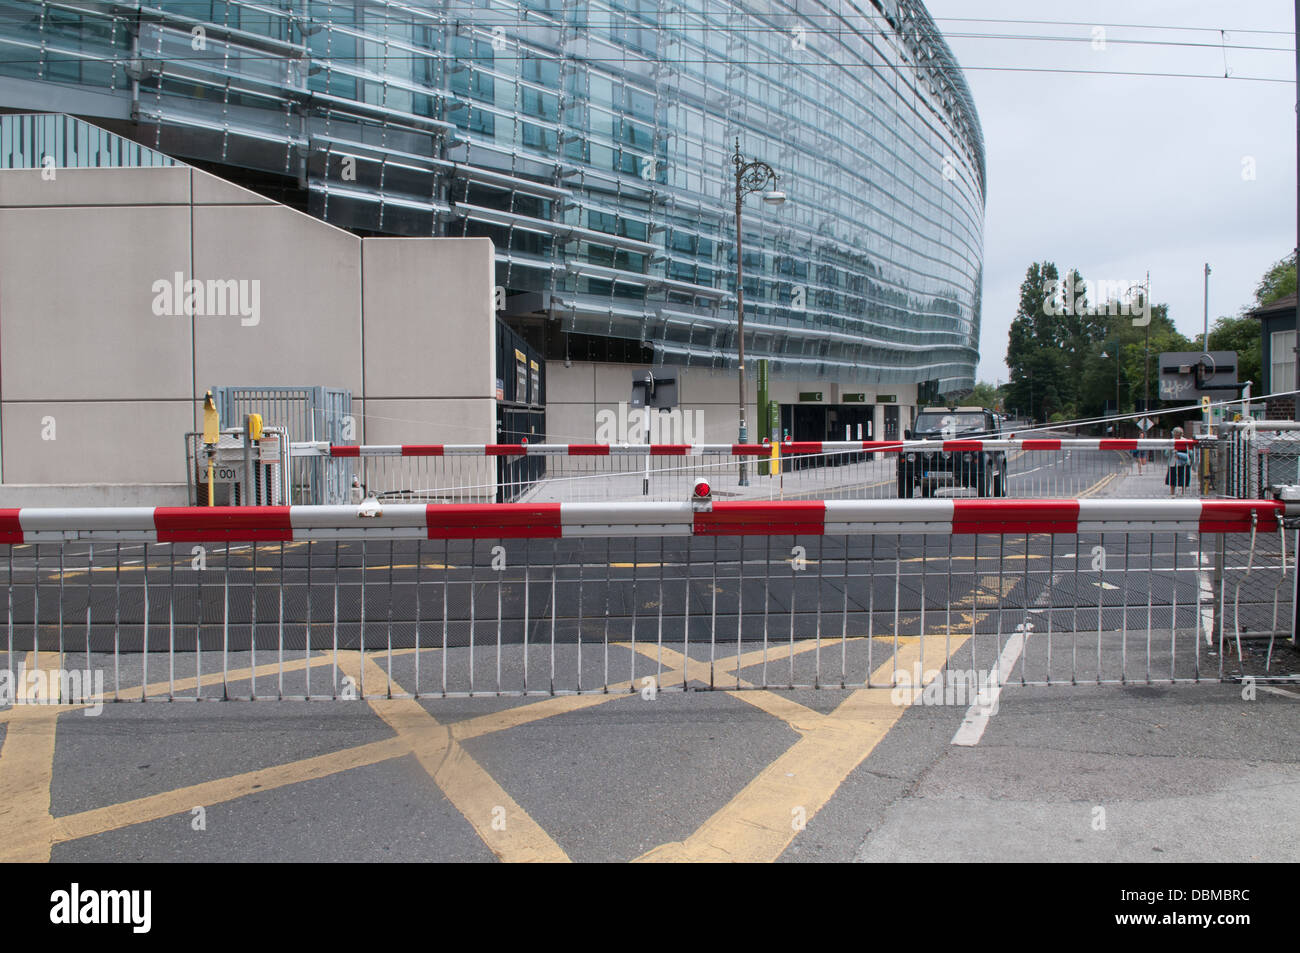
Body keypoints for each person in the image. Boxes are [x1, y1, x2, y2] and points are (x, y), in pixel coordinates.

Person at [1166, 427, 1191, 496]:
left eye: (1178, 434)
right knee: (1172, 479)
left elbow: (1190, 453)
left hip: (1184, 463)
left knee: (1184, 478)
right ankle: (1172, 493)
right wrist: (1171, 450)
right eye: (1175, 434)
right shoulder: (1170, 441)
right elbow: (1166, 453)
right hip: (1173, 463)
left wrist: (1178, 454)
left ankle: (1183, 493)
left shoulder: (1186, 441)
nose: (1176, 436)